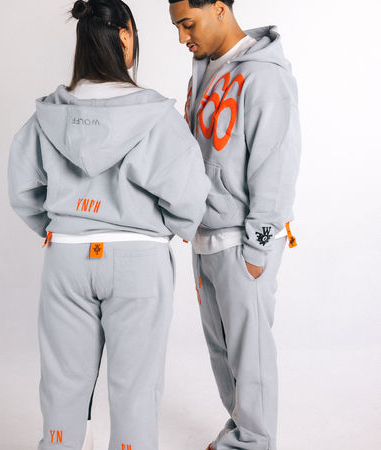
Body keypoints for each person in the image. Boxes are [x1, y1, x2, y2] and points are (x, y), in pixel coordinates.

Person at [7, 1, 212, 449]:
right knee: (135, 386)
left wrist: (61, 225)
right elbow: (190, 198)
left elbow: (22, 191)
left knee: (63, 381)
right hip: (138, 260)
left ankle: (59, 443)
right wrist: (161, 226)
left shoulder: (49, 115)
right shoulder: (155, 115)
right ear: (124, 37)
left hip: (67, 258)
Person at [168, 1, 302, 449]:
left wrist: (258, 247)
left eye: (188, 24)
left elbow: (276, 165)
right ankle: (243, 427)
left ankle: (255, 441)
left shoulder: (264, 76)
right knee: (222, 350)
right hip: (206, 234)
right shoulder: (205, 70)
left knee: (251, 352)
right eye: (178, 27)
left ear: (220, 9)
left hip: (243, 239)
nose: (183, 37)